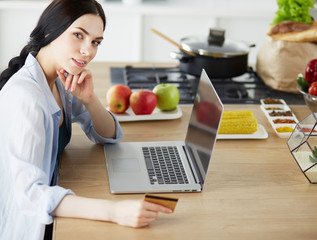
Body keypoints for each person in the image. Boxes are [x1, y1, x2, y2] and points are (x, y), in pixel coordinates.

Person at [0, 0, 172, 239]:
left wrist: (90, 100)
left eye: (95, 42)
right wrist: (113, 211)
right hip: (30, 225)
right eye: (78, 35)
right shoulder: (26, 98)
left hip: (54, 200)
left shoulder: (59, 79)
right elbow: (29, 196)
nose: (88, 50)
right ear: (50, 31)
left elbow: (109, 136)